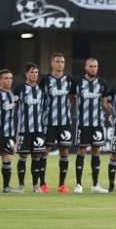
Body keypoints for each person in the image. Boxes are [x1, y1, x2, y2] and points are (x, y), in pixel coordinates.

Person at [39, 53, 75, 192]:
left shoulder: (69, 80)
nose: (60, 64)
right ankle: (42, 184)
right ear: (52, 63)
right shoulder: (46, 80)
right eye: (58, 61)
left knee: (64, 151)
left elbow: (72, 97)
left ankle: (62, 185)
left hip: (64, 122)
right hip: (49, 122)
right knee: (45, 151)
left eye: (62, 61)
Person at [73, 58, 109, 194]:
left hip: (97, 124)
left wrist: (111, 113)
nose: (93, 68)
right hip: (83, 123)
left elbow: (105, 103)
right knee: (81, 151)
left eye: (95, 66)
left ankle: (95, 185)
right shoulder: (78, 82)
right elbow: (71, 98)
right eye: (91, 66)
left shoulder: (102, 83)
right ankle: (78, 184)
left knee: (96, 151)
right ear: (85, 67)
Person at [14, 63, 47, 193]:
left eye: (37, 72)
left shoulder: (40, 91)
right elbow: (13, 107)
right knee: (23, 156)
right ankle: (21, 186)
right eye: (32, 72)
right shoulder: (20, 89)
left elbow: (43, 109)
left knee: (37, 157)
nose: (35, 74)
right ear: (26, 73)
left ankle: (35, 186)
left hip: (38, 130)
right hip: (24, 129)